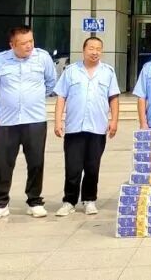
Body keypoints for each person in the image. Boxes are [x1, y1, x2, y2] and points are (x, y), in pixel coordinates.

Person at [0, 25, 57, 221]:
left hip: (35, 119)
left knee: (36, 162)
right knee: (2, 162)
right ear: (12, 45)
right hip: (8, 120)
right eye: (23, 43)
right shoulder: (1, 60)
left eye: (31, 41)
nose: (29, 46)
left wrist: (35, 98)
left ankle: (34, 201)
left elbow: (51, 82)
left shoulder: (43, 58)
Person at [53, 37, 120, 217]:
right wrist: (58, 121)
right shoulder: (71, 71)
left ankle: (89, 200)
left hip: (97, 127)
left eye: (98, 49)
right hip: (74, 127)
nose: (95, 52)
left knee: (92, 167)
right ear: (83, 50)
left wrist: (114, 120)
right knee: (72, 167)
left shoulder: (108, 72)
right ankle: (69, 201)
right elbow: (61, 97)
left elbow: (113, 98)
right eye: (91, 48)